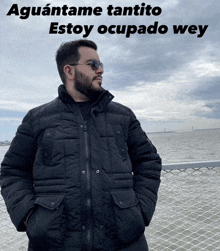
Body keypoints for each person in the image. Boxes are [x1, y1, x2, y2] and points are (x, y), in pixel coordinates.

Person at [0, 39, 162, 251]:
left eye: (101, 64)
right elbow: (12, 170)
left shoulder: (122, 116)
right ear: (69, 70)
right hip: (54, 244)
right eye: (92, 64)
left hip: (123, 242)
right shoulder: (37, 119)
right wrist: (30, 217)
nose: (101, 70)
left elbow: (149, 162)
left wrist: (139, 212)